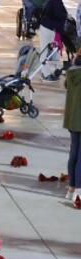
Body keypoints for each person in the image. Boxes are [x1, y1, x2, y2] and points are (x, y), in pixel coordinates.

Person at [63, 51, 81, 199]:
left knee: (74, 153)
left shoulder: (71, 72)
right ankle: (79, 190)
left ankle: (71, 187)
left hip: (72, 119)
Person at [38, 0, 67, 80]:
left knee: (54, 51)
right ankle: (45, 73)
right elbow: (58, 16)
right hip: (48, 29)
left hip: (51, 28)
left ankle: (56, 70)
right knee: (45, 51)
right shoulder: (55, 1)